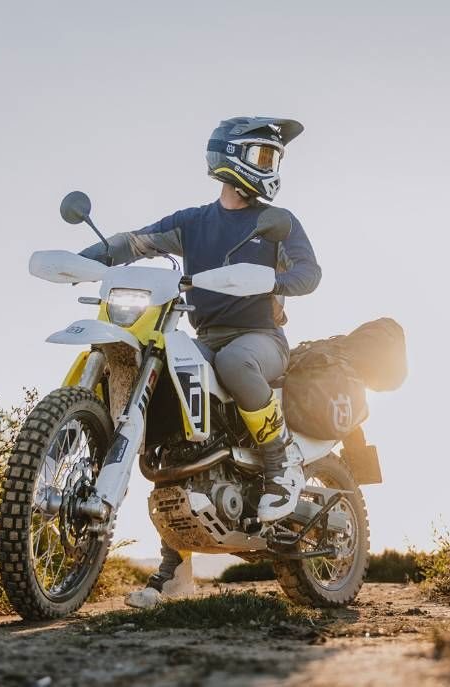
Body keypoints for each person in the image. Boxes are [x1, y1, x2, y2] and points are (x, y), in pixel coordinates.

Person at [79, 116, 321, 608]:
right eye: (263, 155)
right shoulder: (192, 222)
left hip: (260, 340)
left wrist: (274, 283)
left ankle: (281, 461)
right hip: (205, 337)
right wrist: (83, 261)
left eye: (273, 158)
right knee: (171, 437)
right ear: (230, 157)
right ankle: (174, 572)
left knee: (234, 363)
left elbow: (309, 273)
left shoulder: (277, 222)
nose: (270, 167)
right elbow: (135, 241)